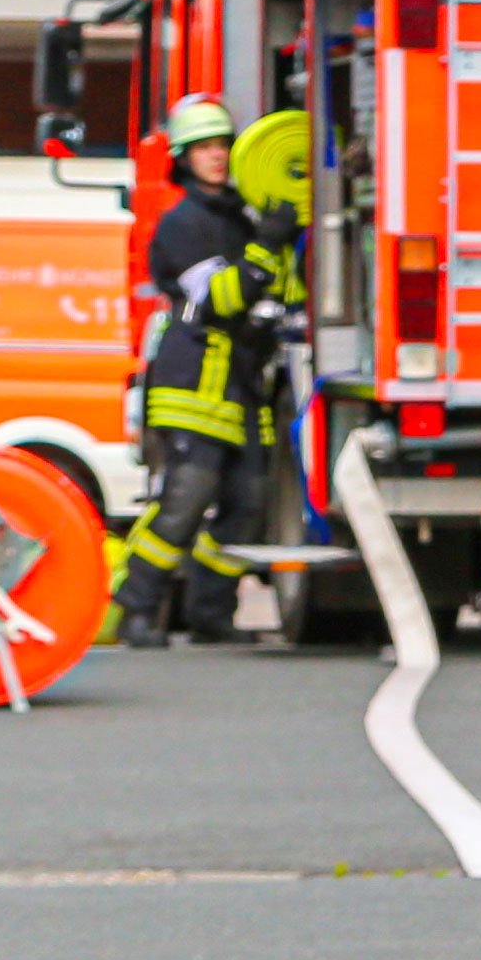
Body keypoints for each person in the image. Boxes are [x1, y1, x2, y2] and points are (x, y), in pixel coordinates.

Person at [110, 94, 295, 646]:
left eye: (223, 146)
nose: (216, 157)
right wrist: (267, 248)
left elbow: (269, 291)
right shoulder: (181, 225)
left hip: (241, 382)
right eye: (204, 148)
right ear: (184, 158)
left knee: (248, 503)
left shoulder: (240, 216)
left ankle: (212, 613)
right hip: (192, 380)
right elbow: (223, 296)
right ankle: (137, 608)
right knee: (185, 500)